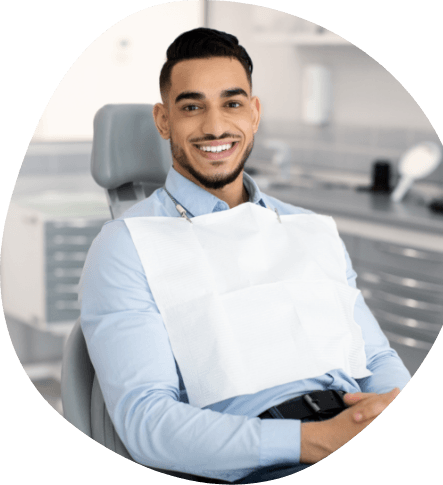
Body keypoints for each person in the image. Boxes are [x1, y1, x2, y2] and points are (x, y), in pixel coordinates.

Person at [79, 28, 411, 484]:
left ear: (254, 114)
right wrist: (314, 441)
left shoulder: (309, 228)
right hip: (269, 459)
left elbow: (375, 360)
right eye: (192, 107)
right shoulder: (126, 245)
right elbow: (146, 421)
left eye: (232, 103)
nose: (215, 127)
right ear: (163, 120)